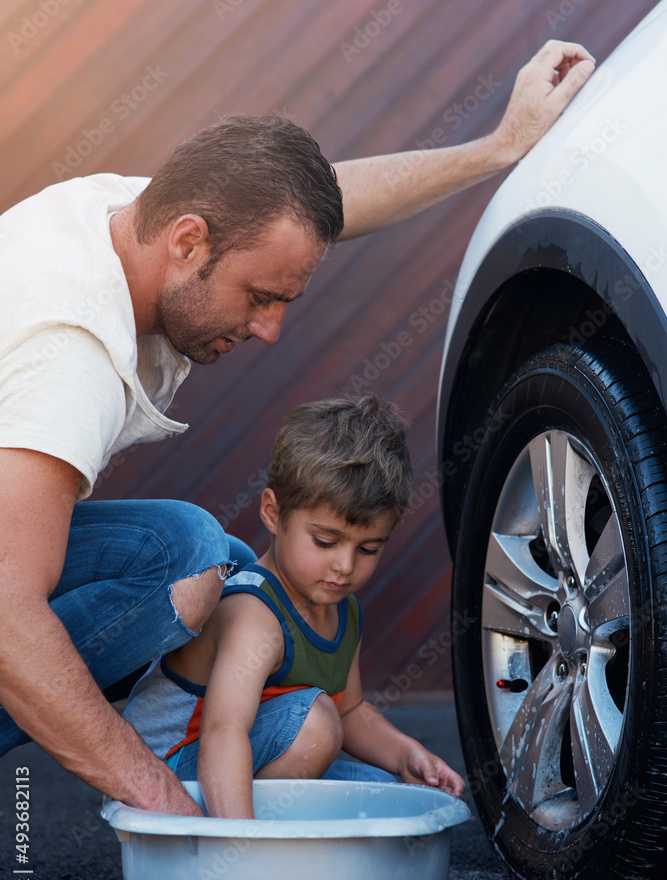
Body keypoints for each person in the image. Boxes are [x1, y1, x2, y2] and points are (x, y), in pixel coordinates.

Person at [0, 40, 595, 816]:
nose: (270, 330)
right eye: (258, 298)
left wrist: (497, 147)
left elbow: (314, 205)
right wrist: (164, 809)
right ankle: (160, 757)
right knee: (180, 569)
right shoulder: (68, 357)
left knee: (198, 551)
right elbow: (10, 614)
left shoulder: (126, 218)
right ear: (187, 243)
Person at [123, 396, 465, 817]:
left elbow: (351, 710)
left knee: (388, 795)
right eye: (325, 542)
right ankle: (249, 842)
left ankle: (280, 840)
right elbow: (223, 731)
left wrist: (407, 755)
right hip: (171, 774)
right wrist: (238, 843)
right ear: (272, 512)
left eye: (369, 548)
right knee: (316, 725)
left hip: (244, 756)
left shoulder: (343, 609)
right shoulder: (255, 615)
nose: (345, 566)